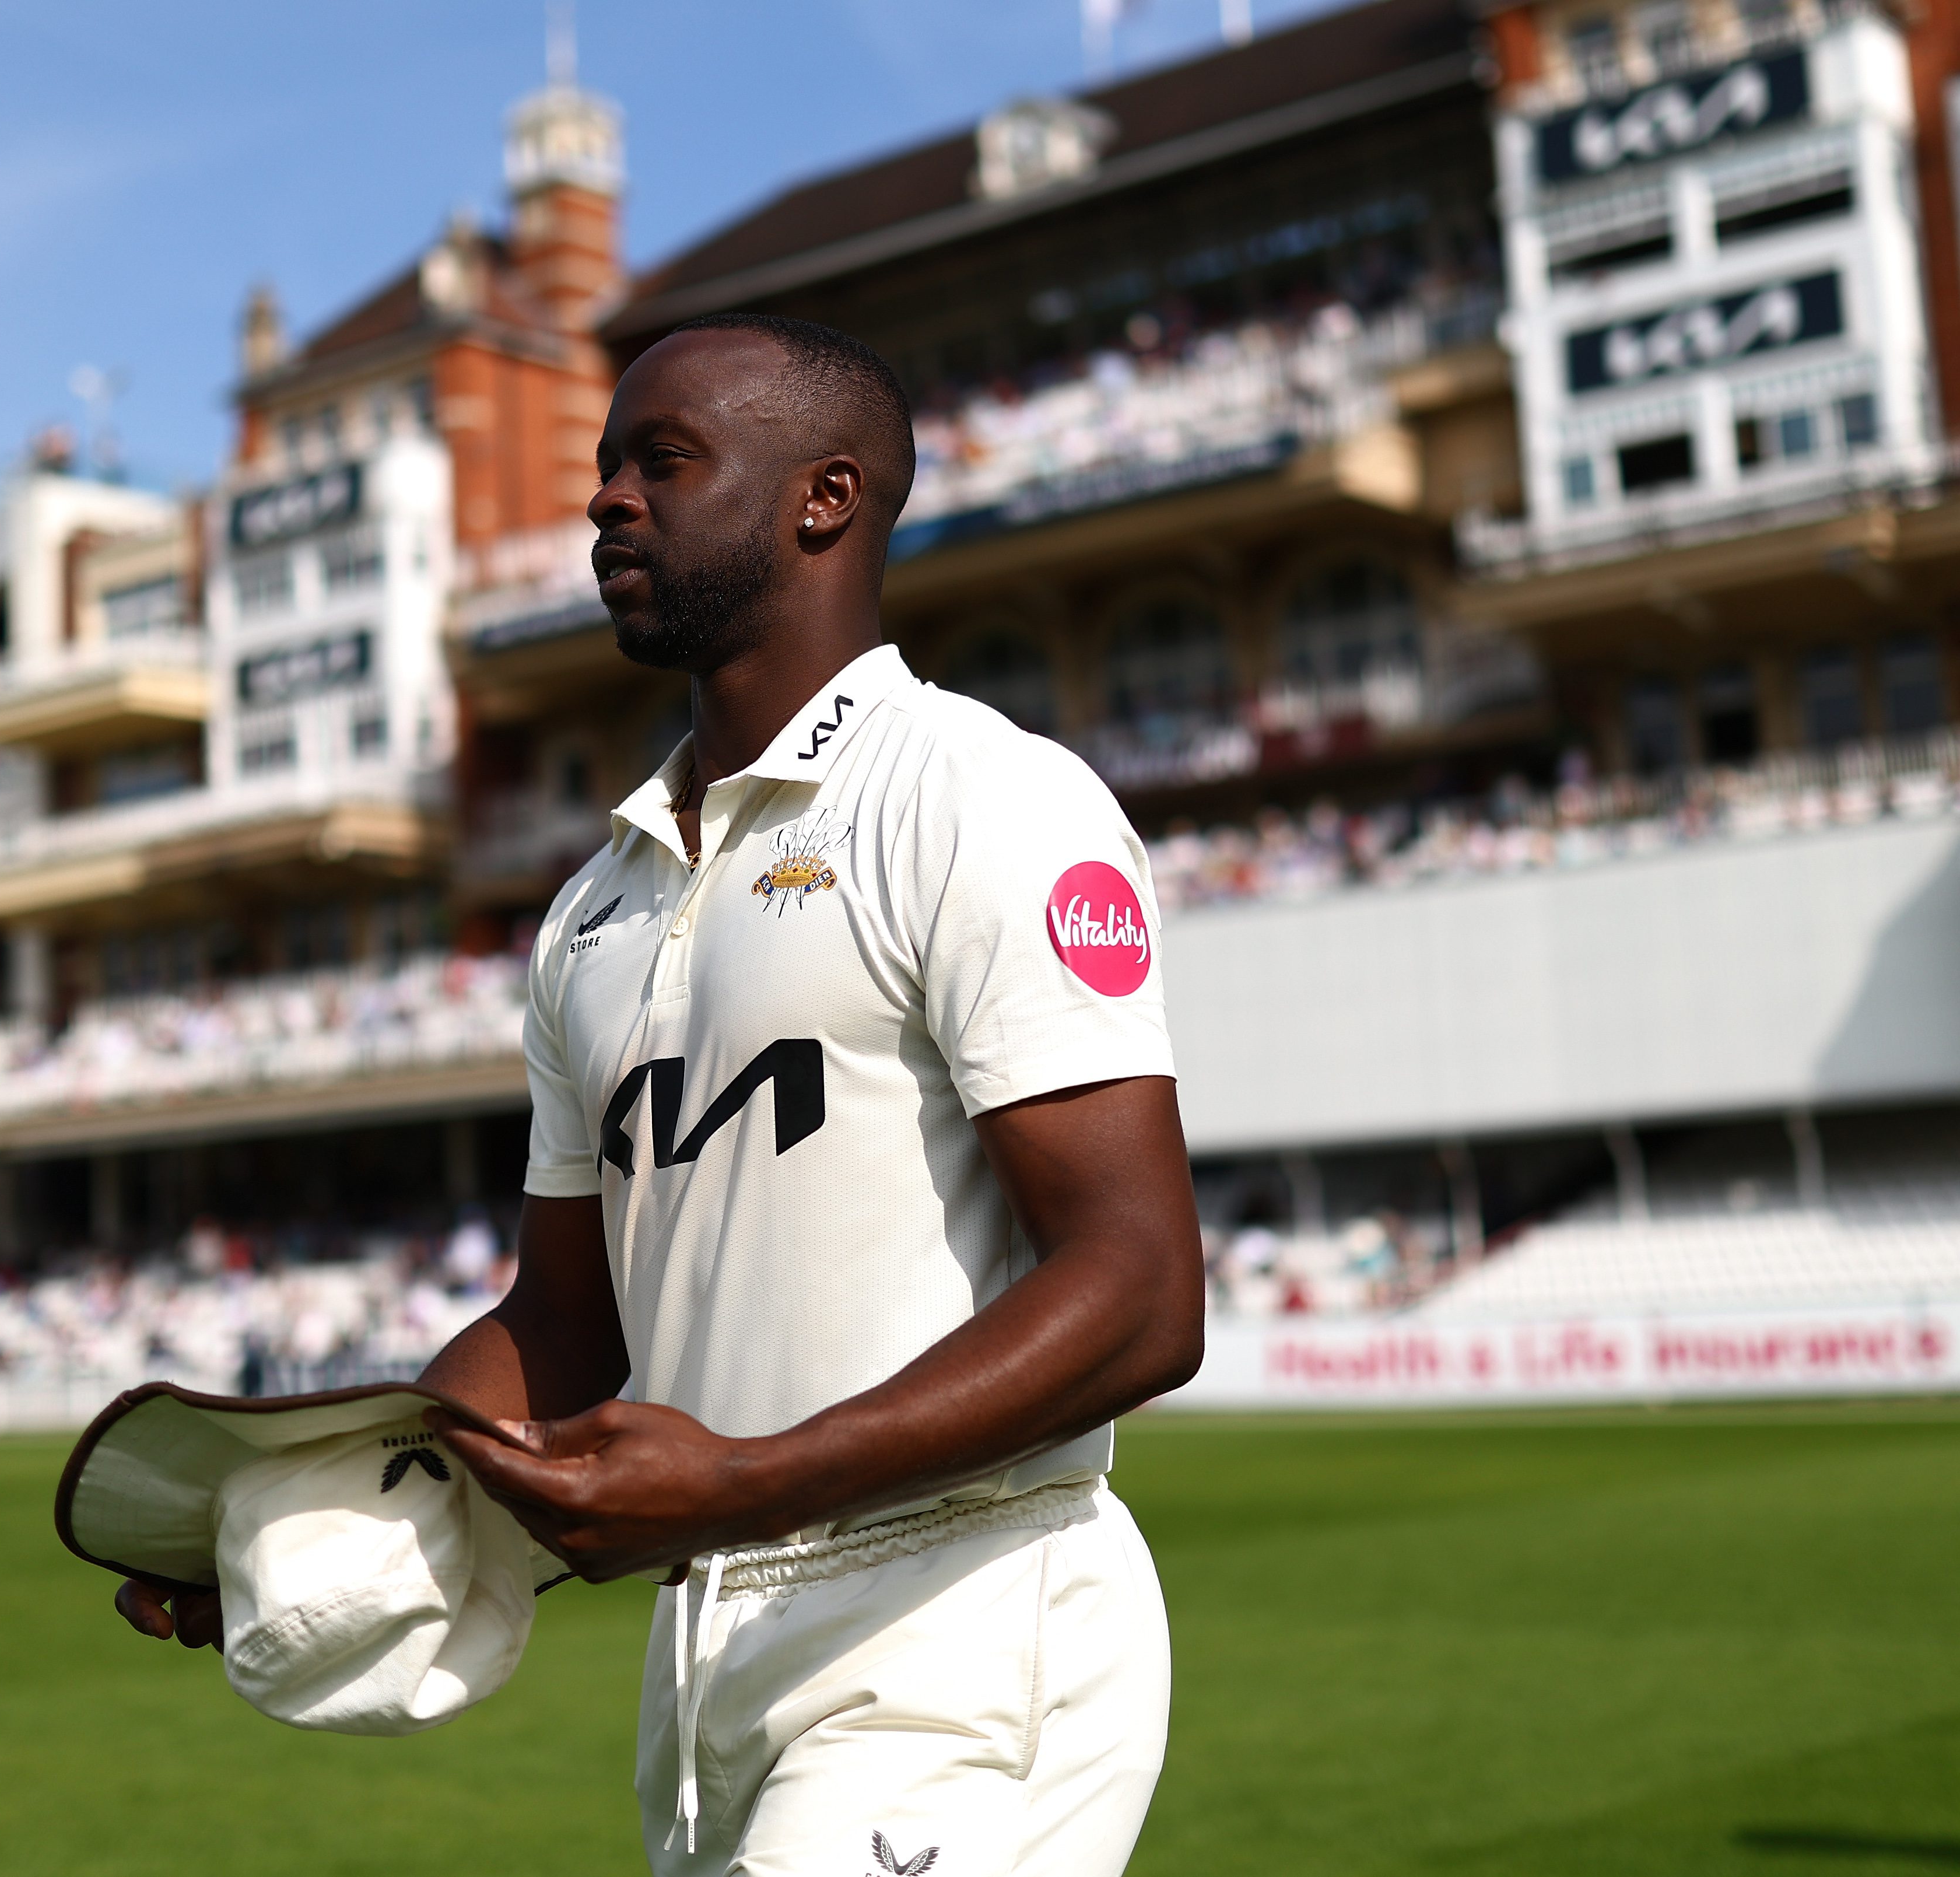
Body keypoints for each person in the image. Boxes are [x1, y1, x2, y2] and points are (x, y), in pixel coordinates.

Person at [117, 313, 1205, 1876]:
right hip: (707, 1655)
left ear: (825, 497)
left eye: (665, 461)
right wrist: (318, 1530)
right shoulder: (593, 906)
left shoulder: (984, 796)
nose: (606, 499)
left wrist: (746, 1483)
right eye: (607, 463)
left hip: (963, 1615)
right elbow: (566, 1324)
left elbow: (1143, 1292)